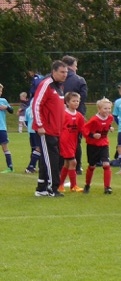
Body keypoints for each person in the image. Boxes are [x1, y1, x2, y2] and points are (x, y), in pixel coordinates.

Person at [32, 60, 68, 197]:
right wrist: (40, 125)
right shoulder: (46, 84)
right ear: (54, 72)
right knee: (52, 159)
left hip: (56, 130)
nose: (65, 74)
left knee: (48, 158)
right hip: (46, 130)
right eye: (62, 72)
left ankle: (41, 188)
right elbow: (36, 105)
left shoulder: (59, 86)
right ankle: (53, 188)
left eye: (66, 72)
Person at [83, 97, 115, 194]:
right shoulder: (94, 120)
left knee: (106, 164)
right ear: (99, 109)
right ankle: (87, 185)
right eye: (105, 108)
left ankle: (107, 187)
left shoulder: (110, 117)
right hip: (93, 146)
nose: (107, 110)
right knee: (92, 166)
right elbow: (84, 129)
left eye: (109, 108)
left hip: (104, 144)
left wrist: (110, 127)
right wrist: (92, 135)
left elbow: (107, 124)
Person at [62, 55, 88, 174]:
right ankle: (77, 166)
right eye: (75, 66)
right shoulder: (79, 80)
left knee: (62, 139)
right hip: (76, 114)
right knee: (76, 140)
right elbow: (83, 97)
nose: (76, 68)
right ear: (71, 66)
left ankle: (62, 165)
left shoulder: (55, 78)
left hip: (61, 113)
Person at [58, 92, 85, 193]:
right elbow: (59, 127)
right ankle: (73, 186)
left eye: (77, 101)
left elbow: (83, 129)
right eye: (73, 101)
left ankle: (60, 185)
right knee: (73, 162)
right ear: (67, 102)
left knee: (66, 163)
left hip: (73, 142)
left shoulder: (79, 116)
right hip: (65, 141)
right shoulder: (63, 114)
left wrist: (91, 135)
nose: (76, 103)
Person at [0, 83, 15, 173]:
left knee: (4, 147)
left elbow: (11, 110)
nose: (0, 92)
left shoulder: (3, 101)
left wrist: (6, 107)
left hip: (1, 128)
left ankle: (10, 167)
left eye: (1, 91)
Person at [23, 103, 41, 174]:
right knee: (39, 148)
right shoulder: (39, 106)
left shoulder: (28, 109)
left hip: (31, 130)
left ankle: (33, 166)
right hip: (38, 130)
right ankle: (32, 166)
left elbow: (26, 121)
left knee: (34, 149)